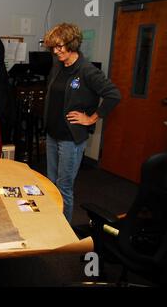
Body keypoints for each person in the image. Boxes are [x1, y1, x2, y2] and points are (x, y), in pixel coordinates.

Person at [43, 23, 121, 223]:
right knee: (51, 184)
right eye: (53, 47)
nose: (56, 51)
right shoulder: (58, 65)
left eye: (60, 46)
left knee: (64, 188)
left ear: (72, 44)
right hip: (52, 135)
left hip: (70, 138)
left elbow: (113, 95)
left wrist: (91, 118)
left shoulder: (87, 71)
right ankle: (52, 223)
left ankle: (65, 231)